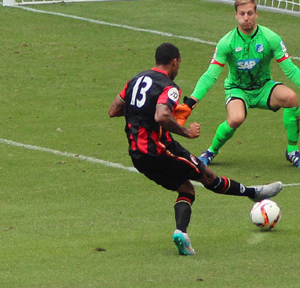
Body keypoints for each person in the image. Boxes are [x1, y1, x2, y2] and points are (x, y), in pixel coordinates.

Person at [108, 42, 282, 256]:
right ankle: (254, 193)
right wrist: (186, 132)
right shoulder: (168, 86)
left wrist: (141, 111)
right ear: (174, 61)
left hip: (137, 155)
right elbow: (161, 116)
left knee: (186, 189)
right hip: (161, 149)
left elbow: (114, 110)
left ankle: (181, 233)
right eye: (179, 63)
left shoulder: (134, 80)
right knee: (209, 177)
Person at [174, 0, 300, 171]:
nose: (246, 17)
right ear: (235, 16)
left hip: (264, 87)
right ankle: (210, 151)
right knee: (236, 118)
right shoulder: (226, 42)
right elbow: (210, 75)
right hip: (237, 89)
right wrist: (190, 104)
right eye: (242, 14)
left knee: (291, 98)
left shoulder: (271, 38)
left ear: (256, 14)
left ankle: (292, 151)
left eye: (249, 13)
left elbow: (290, 69)